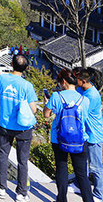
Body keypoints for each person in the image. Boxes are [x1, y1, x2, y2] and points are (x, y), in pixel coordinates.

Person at [0, 54, 37, 201]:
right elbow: (34, 110)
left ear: (11, 64)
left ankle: (1, 188)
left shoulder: (2, 79)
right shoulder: (27, 86)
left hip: (5, 124)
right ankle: (21, 193)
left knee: (3, 155)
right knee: (22, 160)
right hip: (23, 127)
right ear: (26, 68)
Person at [44, 68, 93, 202]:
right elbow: (84, 118)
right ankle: (89, 200)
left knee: (62, 167)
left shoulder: (56, 96)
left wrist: (47, 104)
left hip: (59, 138)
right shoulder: (85, 99)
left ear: (64, 82)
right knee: (82, 173)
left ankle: (61, 199)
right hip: (80, 139)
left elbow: (46, 114)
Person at [75, 67, 103, 201]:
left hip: (94, 136)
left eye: (78, 80)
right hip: (86, 134)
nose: (76, 82)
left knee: (96, 167)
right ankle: (80, 186)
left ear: (84, 81)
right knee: (83, 165)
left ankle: (99, 194)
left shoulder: (92, 95)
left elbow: (81, 113)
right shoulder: (84, 90)